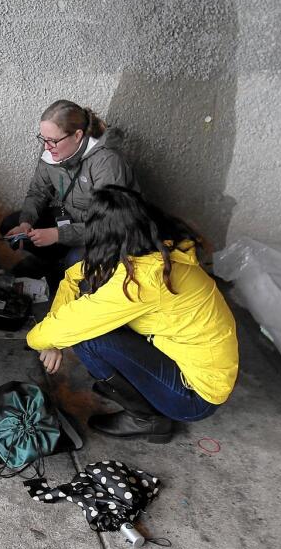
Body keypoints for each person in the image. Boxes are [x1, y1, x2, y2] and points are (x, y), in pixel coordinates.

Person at [26, 186, 237, 443]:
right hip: (184, 358)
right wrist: (54, 340)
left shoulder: (144, 279)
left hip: (194, 396)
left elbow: (70, 325)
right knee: (91, 317)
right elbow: (74, 275)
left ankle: (147, 419)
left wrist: (42, 340)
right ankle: (132, 387)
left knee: (87, 339)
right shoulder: (152, 247)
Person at [2, 100, 138, 290]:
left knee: (76, 261)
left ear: (77, 135)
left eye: (53, 140)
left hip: (107, 231)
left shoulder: (106, 162)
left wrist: (58, 234)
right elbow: (38, 191)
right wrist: (26, 222)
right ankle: (54, 267)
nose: (47, 147)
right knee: (12, 225)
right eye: (43, 139)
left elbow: (109, 225)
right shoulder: (53, 150)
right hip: (71, 217)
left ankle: (74, 282)